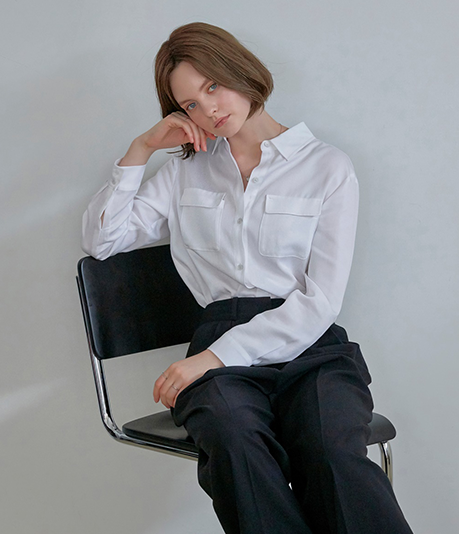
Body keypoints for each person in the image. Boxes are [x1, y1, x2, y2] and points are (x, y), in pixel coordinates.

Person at [82, 22, 413, 534]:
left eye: (212, 85)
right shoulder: (184, 171)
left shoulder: (327, 168)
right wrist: (142, 148)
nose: (209, 109)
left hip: (311, 345)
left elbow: (320, 302)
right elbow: (102, 240)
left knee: (329, 447)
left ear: (239, 69)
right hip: (219, 342)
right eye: (190, 104)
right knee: (233, 437)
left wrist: (209, 360)